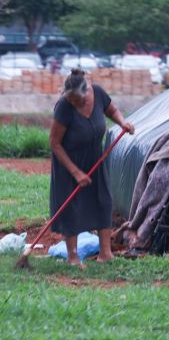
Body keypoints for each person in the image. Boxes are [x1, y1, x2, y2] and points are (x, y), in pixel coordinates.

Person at [49, 69, 134, 267]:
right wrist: (76, 172)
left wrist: (122, 123)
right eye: (70, 100)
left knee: (103, 200)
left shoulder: (98, 93)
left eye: (77, 100)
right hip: (69, 162)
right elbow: (54, 143)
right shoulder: (64, 106)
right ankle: (73, 257)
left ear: (87, 92)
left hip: (95, 157)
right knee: (72, 207)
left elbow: (112, 110)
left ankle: (106, 253)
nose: (73, 103)